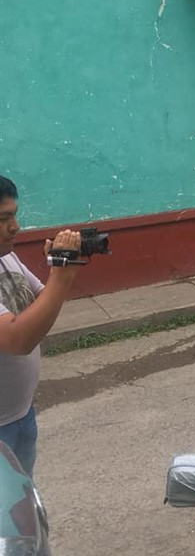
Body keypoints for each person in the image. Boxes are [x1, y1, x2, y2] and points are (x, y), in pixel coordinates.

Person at [0, 176, 81, 476]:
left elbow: (42, 298)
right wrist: (61, 276)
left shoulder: (7, 259)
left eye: (14, 214)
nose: (15, 226)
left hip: (21, 414)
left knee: (22, 507)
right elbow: (18, 339)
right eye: (4, 218)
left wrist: (62, 267)